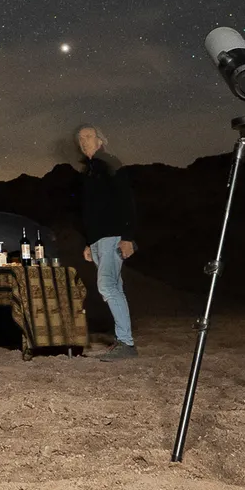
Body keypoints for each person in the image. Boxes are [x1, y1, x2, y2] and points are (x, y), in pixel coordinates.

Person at [76, 125, 138, 360]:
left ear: (100, 140)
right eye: (80, 138)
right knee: (115, 287)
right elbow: (89, 211)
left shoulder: (110, 164)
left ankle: (126, 343)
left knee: (107, 286)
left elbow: (127, 201)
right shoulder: (89, 171)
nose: (84, 141)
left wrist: (128, 237)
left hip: (113, 236)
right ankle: (123, 341)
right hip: (97, 240)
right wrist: (88, 243)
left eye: (88, 136)